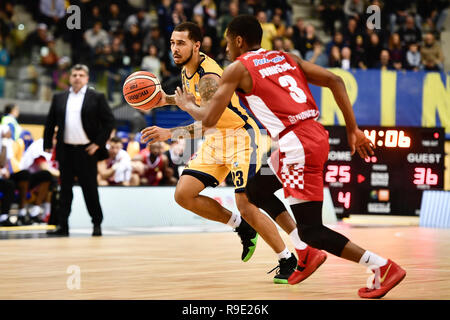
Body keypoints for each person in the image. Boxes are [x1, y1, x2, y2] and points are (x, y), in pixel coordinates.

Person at [174, 15, 406, 299]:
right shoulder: (286, 57)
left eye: (226, 41)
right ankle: (305, 254)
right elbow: (335, 80)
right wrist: (353, 129)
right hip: (308, 136)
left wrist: (186, 104)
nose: (225, 48)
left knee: (312, 230)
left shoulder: (237, 68)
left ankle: (381, 266)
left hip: (297, 146)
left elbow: (210, 117)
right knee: (255, 190)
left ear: (238, 40)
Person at [141, 22, 315, 284]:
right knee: (184, 194)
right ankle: (241, 226)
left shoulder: (209, 76)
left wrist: (170, 133)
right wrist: (159, 98)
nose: (175, 49)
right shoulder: (188, 70)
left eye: (181, 43)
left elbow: (208, 120)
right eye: (172, 43)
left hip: (241, 137)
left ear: (196, 45)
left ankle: (287, 258)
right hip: (216, 140)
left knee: (246, 202)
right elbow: (193, 101)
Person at [43, 64, 115, 237]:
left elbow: (109, 122)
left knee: (90, 189)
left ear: (87, 78)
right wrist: (47, 143)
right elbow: (50, 121)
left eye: (81, 75)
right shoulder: (59, 97)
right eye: (74, 74)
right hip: (65, 150)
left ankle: (96, 224)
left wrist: (97, 144)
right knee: (65, 190)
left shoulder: (96, 97)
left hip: (86, 152)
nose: (77, 77)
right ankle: (62, 226)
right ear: (69, 77)